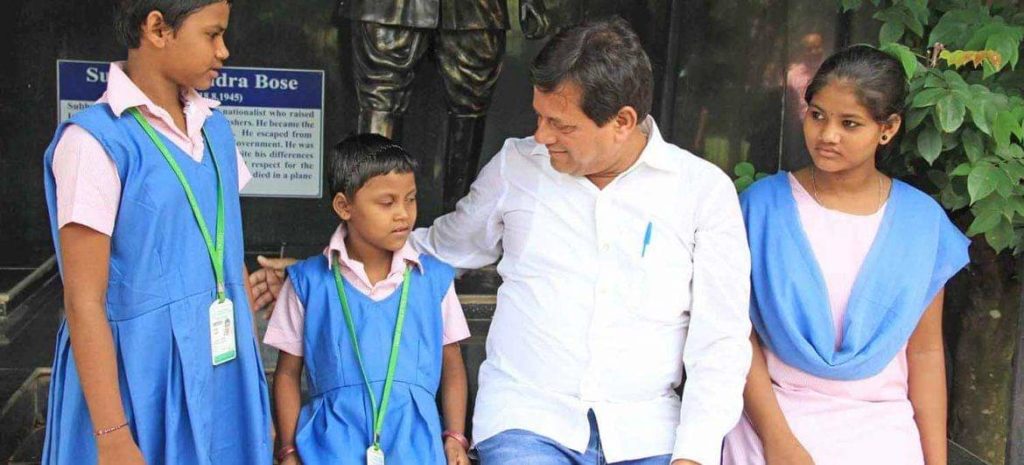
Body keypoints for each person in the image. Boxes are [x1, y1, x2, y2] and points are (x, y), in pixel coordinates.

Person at [254, 17, 752, 465]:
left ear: (621, 122)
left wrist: (695, 455)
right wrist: (322, 269)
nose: (540, 135)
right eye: (538, 116)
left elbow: (720, 342)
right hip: (528, 423)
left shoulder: (701, 192)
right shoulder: (518, 168)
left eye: (560, 124)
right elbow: (439, 246)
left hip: (648, 433)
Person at [40, 1, 272, 464]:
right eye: (212, 35)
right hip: (137, 378)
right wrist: (111, 435)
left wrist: (254, 389)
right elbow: (84, 300)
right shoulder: (94, 143)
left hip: (220, 365)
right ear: (157, 28)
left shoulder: (215, 129)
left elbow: (223, 244)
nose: (224, 50)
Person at [722, 45, 970, 465]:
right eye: (817, 115)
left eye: (849, 123)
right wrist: (778, 441)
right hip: (770, 424)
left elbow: (925, 353)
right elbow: (735, 336)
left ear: (887, 129)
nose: (826, 134)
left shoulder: (920, 223)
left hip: (882, 432)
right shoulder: (760, 208)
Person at [264, 134, 472, 465]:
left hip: (416, 447)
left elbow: (453, 365)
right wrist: (288, 448)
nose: (403, 214)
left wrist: (455, 436)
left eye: (411, 199)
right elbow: (287, 373)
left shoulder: (434, 281)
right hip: (328, 447)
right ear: (344, 206)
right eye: (387, 203)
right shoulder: (307, 282)